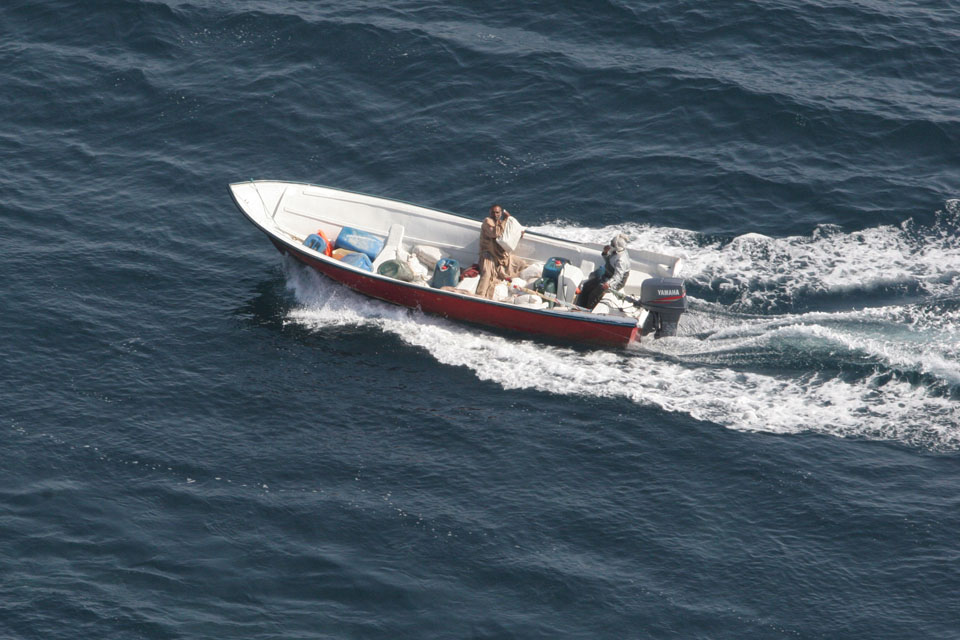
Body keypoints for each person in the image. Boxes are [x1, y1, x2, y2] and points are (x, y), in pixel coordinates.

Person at [477, 204, 523, 299]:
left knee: (521, 264)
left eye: (497, 212)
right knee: (487, 274)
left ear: (501, 213)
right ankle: (479, 296)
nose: (495, 214)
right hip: (488, 255)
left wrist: (519, 233)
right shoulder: (487, 222)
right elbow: (495, 233)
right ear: (490, 213)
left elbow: (510, 234)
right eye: (493, 212)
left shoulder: (501, 223)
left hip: (500, 256)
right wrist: (507, 220)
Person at [576, 233, 631, 309]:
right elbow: (610, 262)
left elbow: (618, 277)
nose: (610, 245)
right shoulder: (615, 252)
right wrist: (605, 253)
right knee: (587, 286)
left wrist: (608, 284)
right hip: (607, 276)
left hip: (615, 282)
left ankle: (588, 310)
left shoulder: (621, 260)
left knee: (594, 295)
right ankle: (579, 306)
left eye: (612, 244)